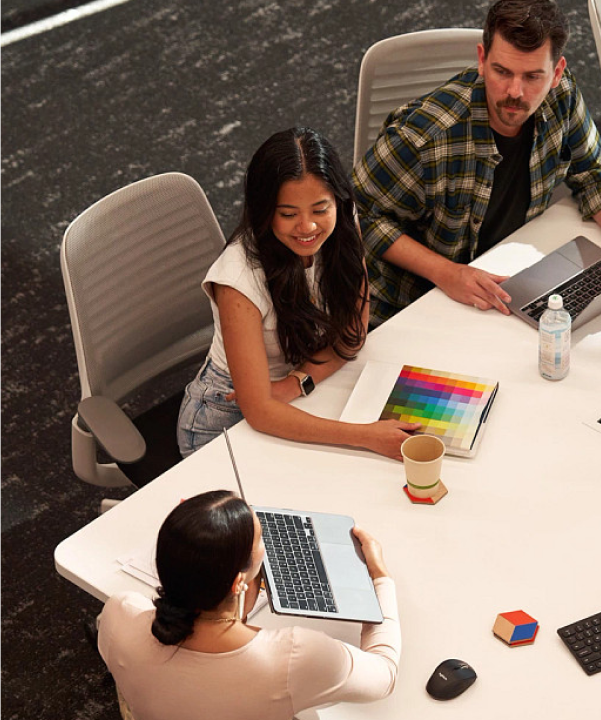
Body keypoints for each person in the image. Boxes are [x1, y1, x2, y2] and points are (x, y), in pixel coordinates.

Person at [353, 0, 601, 328]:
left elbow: (593, 171)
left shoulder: (561, 96)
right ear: (481, 60)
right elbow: (357, 215)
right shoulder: (424, 136)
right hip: (413, 301)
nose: (515, 92)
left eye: (533, 76)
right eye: (502, 72)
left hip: (505, 276)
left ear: (556, 72)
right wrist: (447, 274)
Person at [177, 127, 420, 459]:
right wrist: (365, 436)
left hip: (299, 387)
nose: (307, 227)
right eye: (288, 214)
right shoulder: (237, 280)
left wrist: (298, 382)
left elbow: (352, 334)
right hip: (225, 414)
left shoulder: (342, 222)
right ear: (265, 212)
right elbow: (259, 411)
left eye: (320, 210)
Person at [98, 490, 400, 720]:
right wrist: (380, 577)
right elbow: (384, 676)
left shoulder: (119, 612)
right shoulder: (293, 657)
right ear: (237, 584)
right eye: (262, 547)